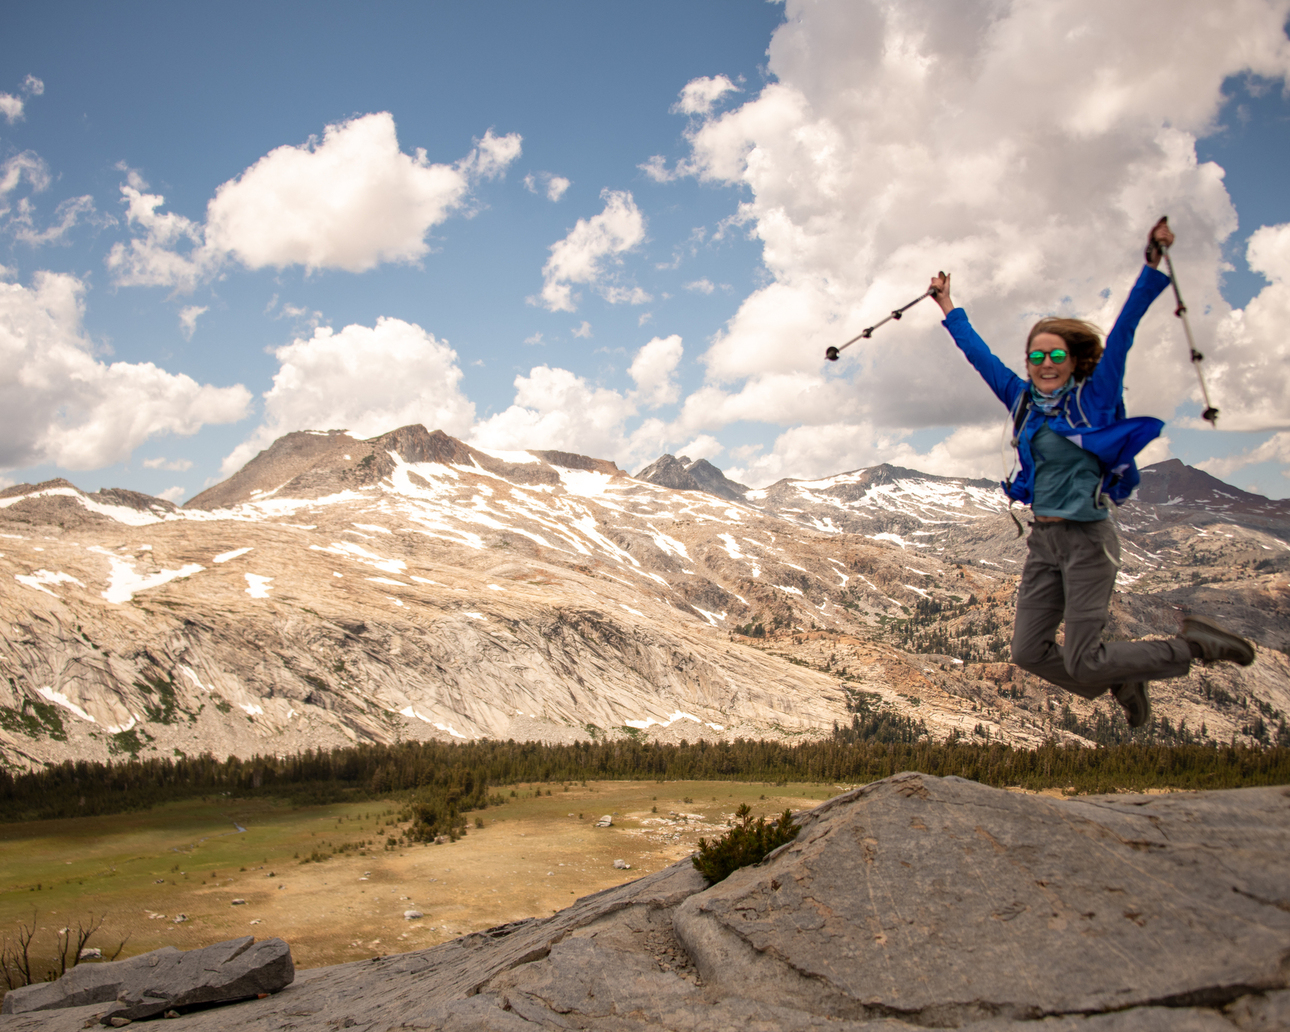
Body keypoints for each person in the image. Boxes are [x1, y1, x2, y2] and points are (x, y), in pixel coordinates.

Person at [930, 218, 1255, 729]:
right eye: (1035, 355)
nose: (1043, 362)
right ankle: (1123, 678)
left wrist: (1151, 266)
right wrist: (948, 306)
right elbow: (979, 356)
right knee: (1027, 652)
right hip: (1045, 542)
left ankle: (1192, 647)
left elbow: (1122, 333)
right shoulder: (1022, 401)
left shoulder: (1095, 399)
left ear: (1075, 359)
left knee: (1084, 659)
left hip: (1087, 541)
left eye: (1055, 354)